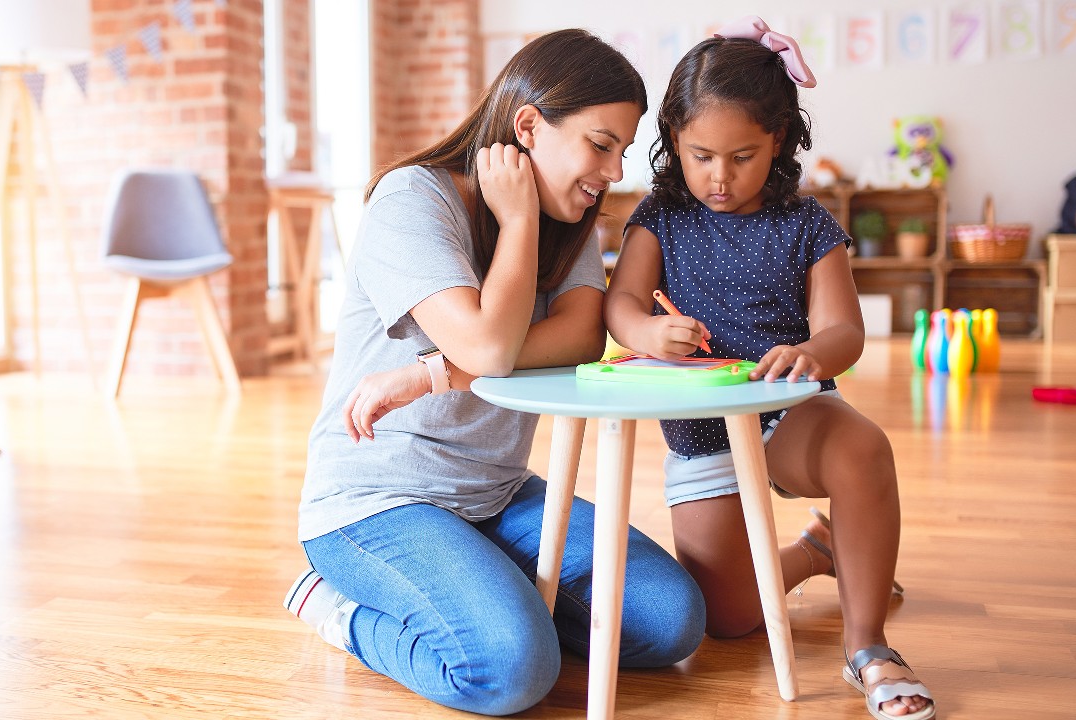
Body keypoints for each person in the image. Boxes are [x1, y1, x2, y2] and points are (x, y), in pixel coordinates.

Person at [284, 29, 705, 717]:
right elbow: (487, 347)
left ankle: (482, 588)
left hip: (498, 493)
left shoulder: (568, 217)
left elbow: (578, 336)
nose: (613, 171)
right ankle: (337, 610)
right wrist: (514, 224)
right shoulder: (411, 201)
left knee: (672, 620)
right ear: (529, 127)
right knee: (511, 669)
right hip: (376, 501)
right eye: (601, 144)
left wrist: (430, 374)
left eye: (623, 152)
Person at [602, 17, 934, 720]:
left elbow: (845, 328)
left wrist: (815, 354)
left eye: (742, 156)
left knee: (864, 449)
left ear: (778, 140)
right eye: (700, 156)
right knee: (727, 619)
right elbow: (622, 304)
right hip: (702, 437)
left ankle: (869, 646)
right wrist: (646, 331)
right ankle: (818, 550)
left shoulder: (808, 223)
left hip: (789, 413)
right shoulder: (658, 217)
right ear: (673, 141)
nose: (719, 178)